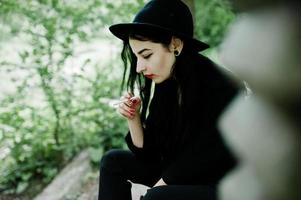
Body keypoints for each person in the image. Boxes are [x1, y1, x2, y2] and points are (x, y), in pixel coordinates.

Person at [98, 0, 240, 199]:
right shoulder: (168, 82)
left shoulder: (219, 85)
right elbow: (151, 156)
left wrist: (157, 189)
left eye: (146, 55)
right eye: (136, 57)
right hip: (182, 178)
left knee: (157, 197)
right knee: (113, 162)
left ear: (175, 44)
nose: (139, 67)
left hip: (222, 186)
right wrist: (134, 119)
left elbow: (204, 159)